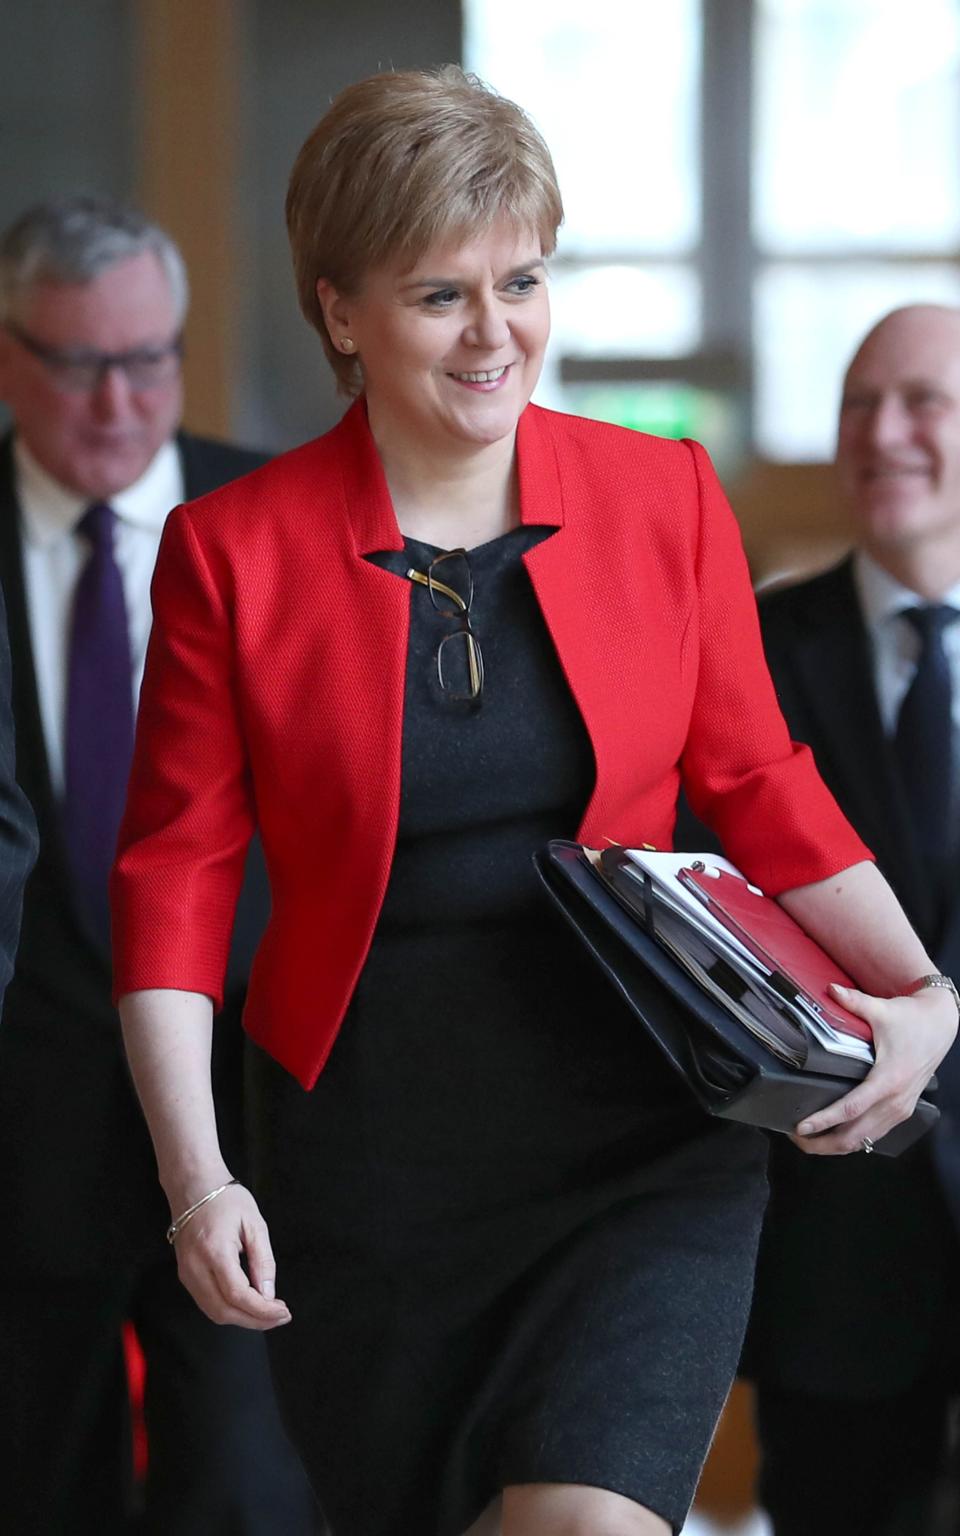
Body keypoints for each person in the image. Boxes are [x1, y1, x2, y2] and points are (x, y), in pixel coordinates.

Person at [110, 70, 957, 1536]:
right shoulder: (228, 552)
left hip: (643, 1132)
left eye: (523, 280)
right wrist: (199, 1182)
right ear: (339, 312)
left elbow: (760, 783)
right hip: (372, 1166)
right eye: (441, 294)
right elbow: (177, 880)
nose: (496, 331)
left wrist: (918, 989)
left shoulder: (667, 495)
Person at [0, 196, 320, 1535]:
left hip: (247, 1120)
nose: (119, 401)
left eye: (150, 359)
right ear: (11, 353)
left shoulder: (277, 523)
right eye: (79, 364)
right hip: (22, 1137)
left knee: (245, 1496)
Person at [735, 305, 960, 1535]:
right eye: (859, 404)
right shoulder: (751, 653)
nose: (885, 432)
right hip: (835, 1248)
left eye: (923, 400)